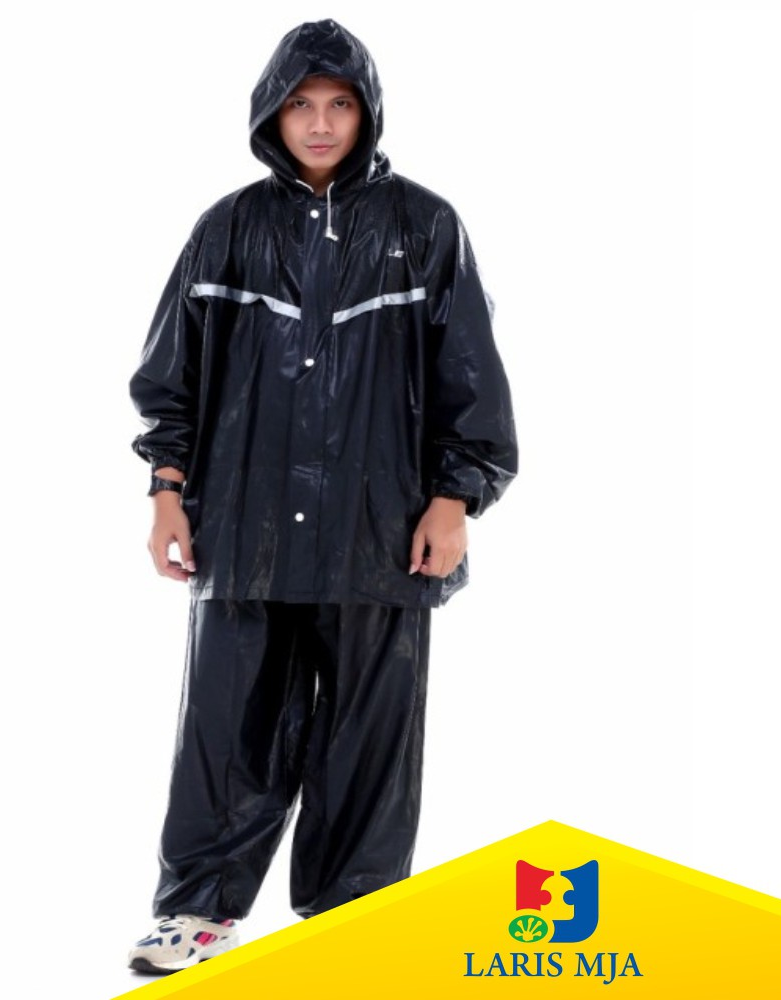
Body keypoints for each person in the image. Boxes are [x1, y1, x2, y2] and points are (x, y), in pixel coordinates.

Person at [125, 18, 518, 975]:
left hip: (380, 528)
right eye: (300, 103)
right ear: (272, 112)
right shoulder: (228, 229)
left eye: (339, 103)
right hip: (245, 525)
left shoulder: (425, 227)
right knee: (228, 727)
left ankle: (354, 921)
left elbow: (471, 374)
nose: (319, 123)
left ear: (366, 113)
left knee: (368, 735)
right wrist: (167, 490)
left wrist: (455, 498)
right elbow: (173, 377)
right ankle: (197, 911)